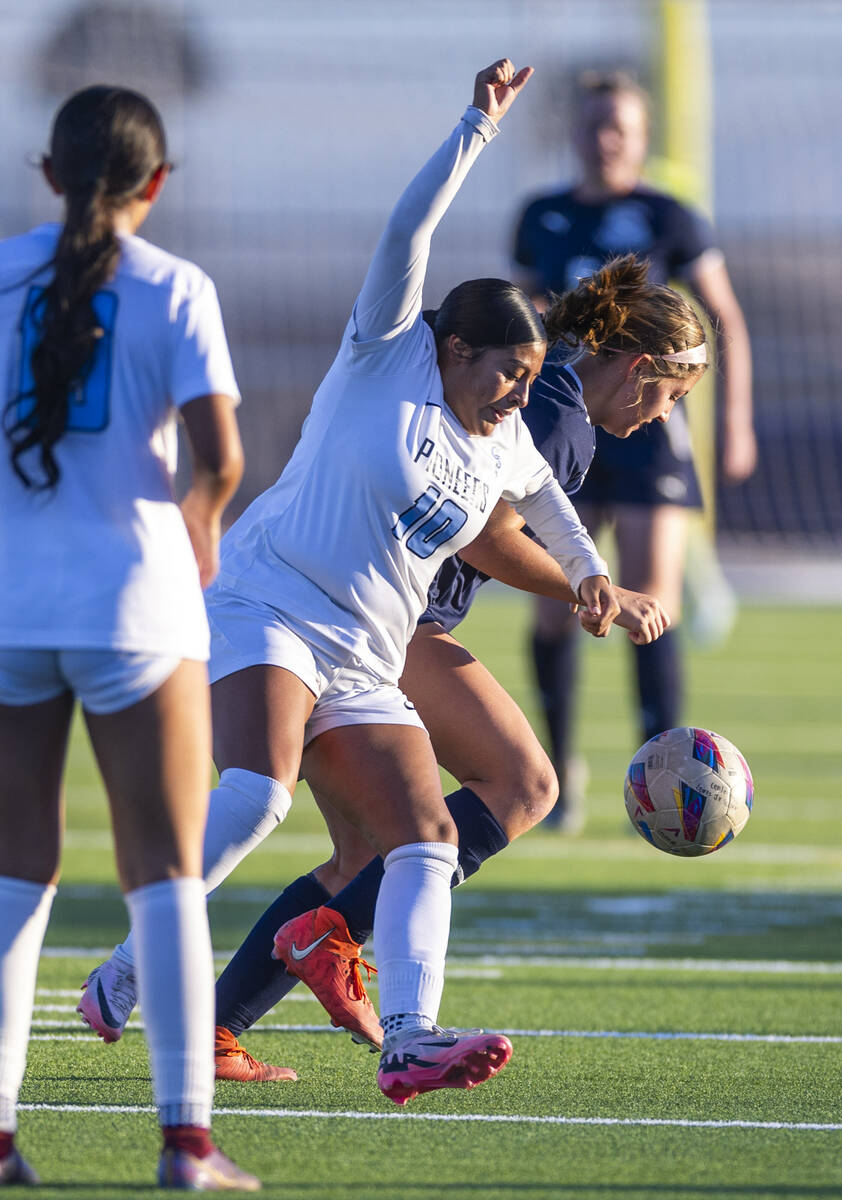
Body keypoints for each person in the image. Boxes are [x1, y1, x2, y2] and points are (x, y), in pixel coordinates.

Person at [76, 58, 622, 1108]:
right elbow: (405, 234)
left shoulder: (500, 439)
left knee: (425, 839)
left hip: (365, 652)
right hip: (268, 599)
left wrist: (592, 575)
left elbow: (548, 499)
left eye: (527, 374)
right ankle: (130, 969)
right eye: (503, 370)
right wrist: (474, 125)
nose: (516, 391)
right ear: (452, 347)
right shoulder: (384, 354)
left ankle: (409, 1039)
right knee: (256, 794)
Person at [176, 255, 710, 1077]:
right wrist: (594, 588)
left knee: (364, 856)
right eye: (673, 398)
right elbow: (491, 540)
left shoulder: (545, 383)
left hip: (354, 610)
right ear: (639, 369)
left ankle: (217, 1026)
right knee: (526, 782)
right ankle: (322, 938)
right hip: (389, 622)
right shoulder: (559, 417)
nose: (663, 418)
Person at [0, 86, 259, 1190]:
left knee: (14, 876)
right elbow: (222, 454)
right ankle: (184, 1144)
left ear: (47, 173)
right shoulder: (175, 286)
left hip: (10, 605)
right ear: (156, 184)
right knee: (163, 873)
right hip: (133, 611)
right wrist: (199, 529)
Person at [512, 70, 755, 830]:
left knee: (652, 603)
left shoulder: (669, 215)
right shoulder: (542, 216)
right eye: (593, 124)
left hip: (650, 435)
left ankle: (666, 770)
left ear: (643, 136)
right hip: (567, 424)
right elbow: (519, 324)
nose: (605, 138)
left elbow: (724, 319)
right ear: (575, 134)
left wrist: (736, 421)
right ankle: (560, 774)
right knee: (555, 609)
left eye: (619, 125)